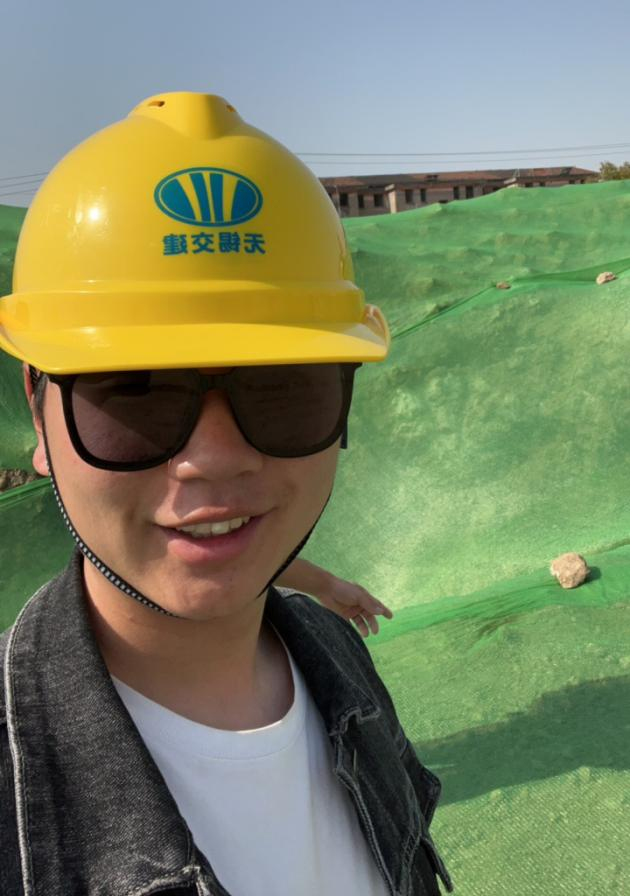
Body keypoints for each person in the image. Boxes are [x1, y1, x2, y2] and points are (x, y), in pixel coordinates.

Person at [0, 92, 454, 896]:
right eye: (134, 393)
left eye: (282, 388)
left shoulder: (339, 661)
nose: (213, 461)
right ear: (39, 410)